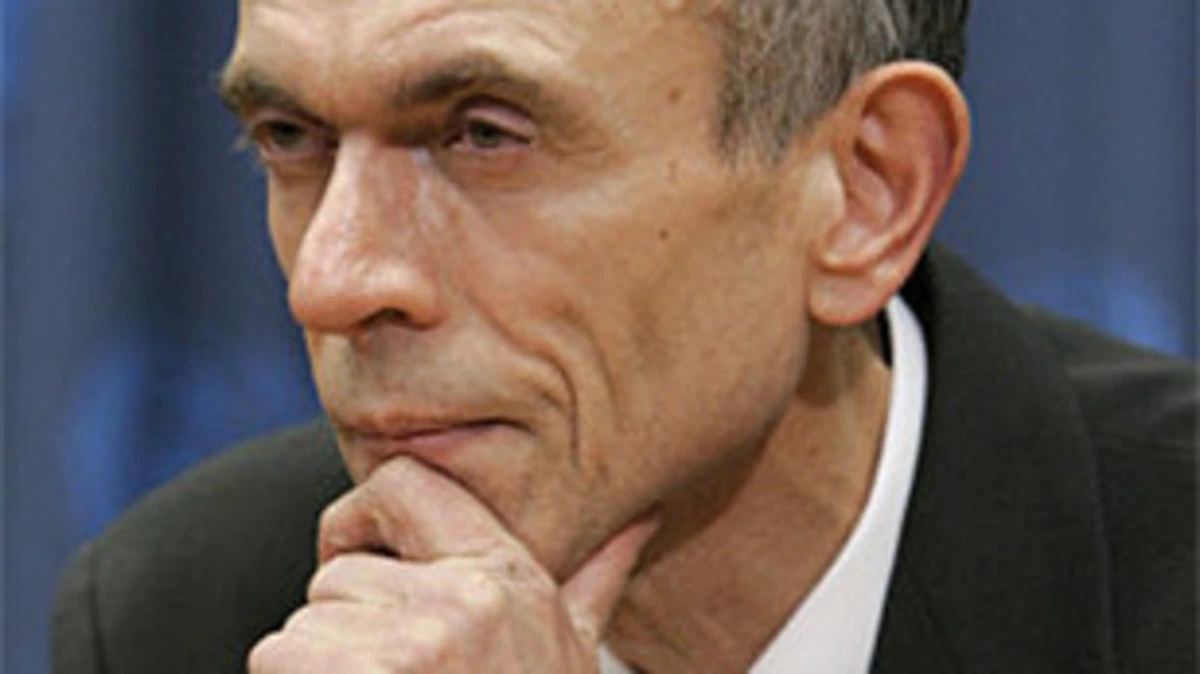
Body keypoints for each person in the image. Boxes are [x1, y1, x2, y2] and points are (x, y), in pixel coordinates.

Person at [53, 0, 1195, 672]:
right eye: (290, 135)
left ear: (864, 191)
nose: (331, 279)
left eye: (483, 134)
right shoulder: (185, 614)